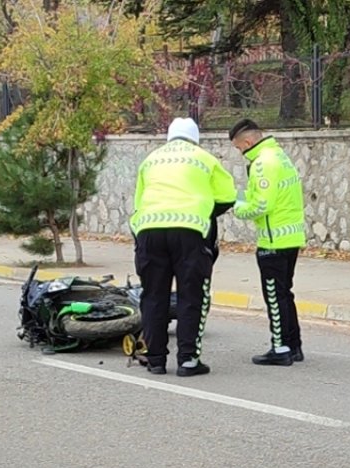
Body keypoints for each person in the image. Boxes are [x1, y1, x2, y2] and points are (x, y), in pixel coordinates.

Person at [130, 117, 238, 377]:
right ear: (195, 137)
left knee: (154, 296)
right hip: (189, 233)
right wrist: (204, 212)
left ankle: (155, 359)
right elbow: (227, 197)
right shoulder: (205, 158)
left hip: (148, 231)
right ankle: (188, 360)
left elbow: (138, 202)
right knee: (191, 295)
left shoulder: (151, 160)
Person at [228, 118, 307, 366]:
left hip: (273, 240)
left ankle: (280, 348)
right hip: (291, 237)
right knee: (285, 294)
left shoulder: (263, 164)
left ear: (248, 142)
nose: (240, 153)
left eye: (239, 148)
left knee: (274, 296)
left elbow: (261, 205)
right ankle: (294, 346)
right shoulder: (280, 157)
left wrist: (238, 208)